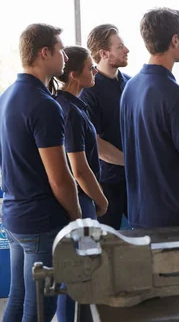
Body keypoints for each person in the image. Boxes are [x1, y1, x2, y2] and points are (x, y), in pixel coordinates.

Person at [0, 24, 81, 322]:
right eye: (60, 50)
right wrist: (77, 219)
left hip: (15, 216)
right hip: (40, 222)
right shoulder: (44, 104)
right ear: (44, 53)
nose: (64, 58)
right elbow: (60, 178)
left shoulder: (7, 96)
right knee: (40, 308)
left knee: (19, 299)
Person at [120, 8, 179, 229]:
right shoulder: (176, 97)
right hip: (175, 220)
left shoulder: (130, 88)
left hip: (140, 215)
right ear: (175, 40)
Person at [52, 46, 108, 322]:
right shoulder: (69, 111)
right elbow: (80, 170)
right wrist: (101, 200)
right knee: (81, 272)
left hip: (83, 200)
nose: (95, 71)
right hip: (83, 201)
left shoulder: (73, 105)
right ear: (74, 75)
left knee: (83, 270)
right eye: (90, 67)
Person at [79, 24, 130, 230]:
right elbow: (96, 144)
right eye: (120, 47)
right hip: (107, 182)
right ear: (104, 53)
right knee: (105, 244)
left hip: (134, 179)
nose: (126, 50)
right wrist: (131, 161)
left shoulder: (130, 83)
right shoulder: (90, 90)